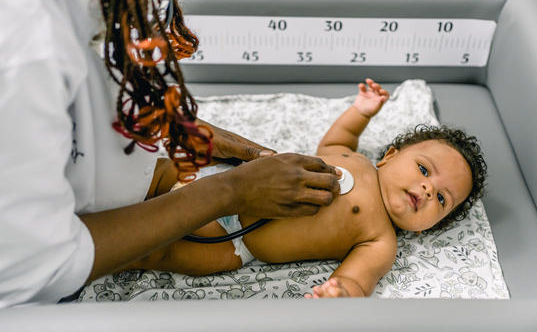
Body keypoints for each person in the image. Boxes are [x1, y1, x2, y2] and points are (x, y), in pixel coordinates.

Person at [0, 0, 340, 308]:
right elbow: (40, 265)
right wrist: (228, 192)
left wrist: (167, 121)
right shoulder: (26, 44)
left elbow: (92, 87)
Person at [125, 78, 488, 298]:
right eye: (424, 169)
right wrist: (362, 110)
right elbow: (338, 137)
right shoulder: (351, 158)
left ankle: (111, 251)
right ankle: (110, 195)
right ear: (388, 156)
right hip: (223, 173)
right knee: (154, 173)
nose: (426, 189)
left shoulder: (380, 240)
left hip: (233, 241)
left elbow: (357, 280)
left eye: (441, 199)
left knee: (157, 251)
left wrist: (341, 292)